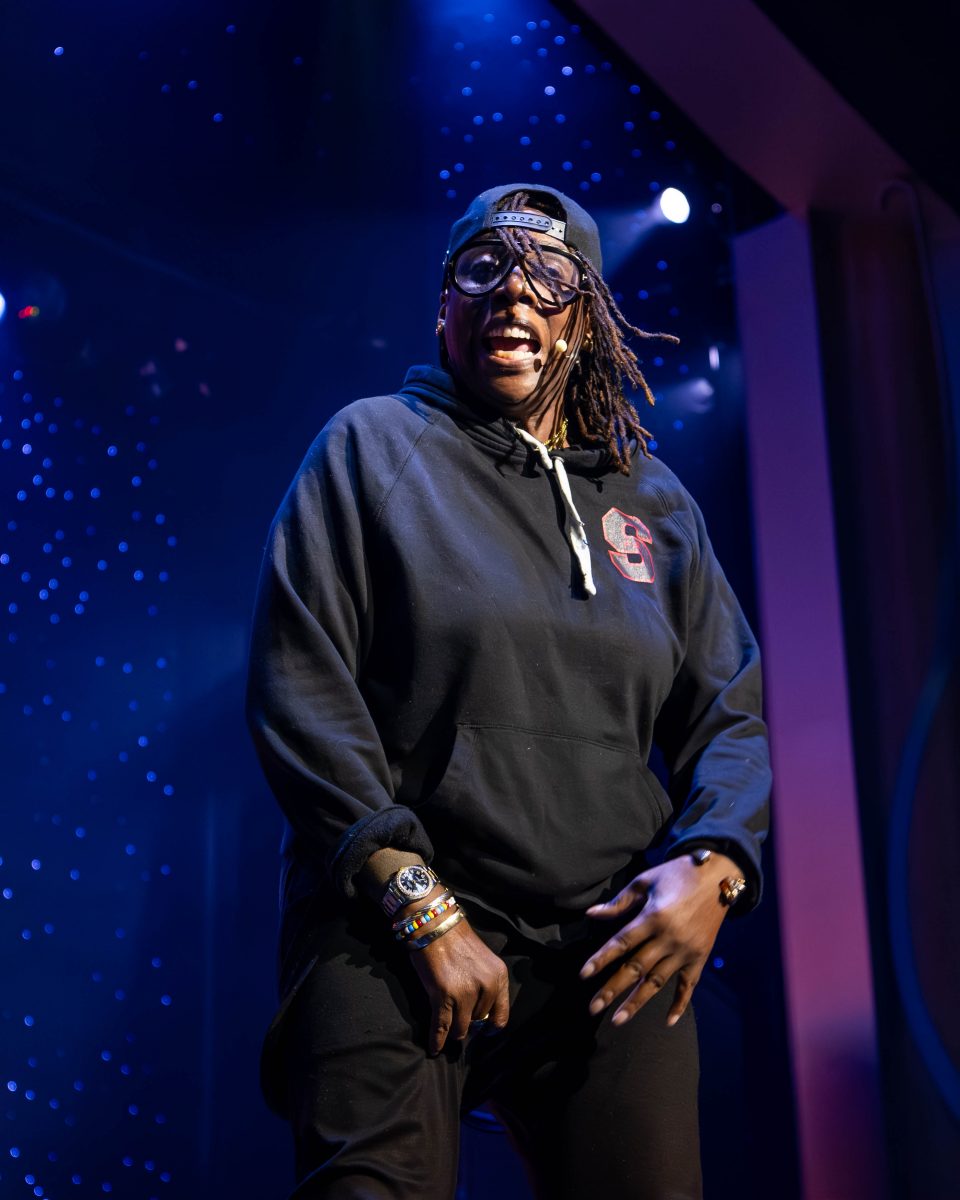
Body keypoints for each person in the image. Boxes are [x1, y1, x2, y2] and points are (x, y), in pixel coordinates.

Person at [245, 182, 772, 1200]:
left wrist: (712, 864)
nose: (513, 296)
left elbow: (730, 713)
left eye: (548, 277)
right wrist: (417, 906)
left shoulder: (654, 501)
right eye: (482, 271)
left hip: (603, 938)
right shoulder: (370, 447)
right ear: (444, 305)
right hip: (393, 923)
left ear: (587, 319)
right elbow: (298, 683)